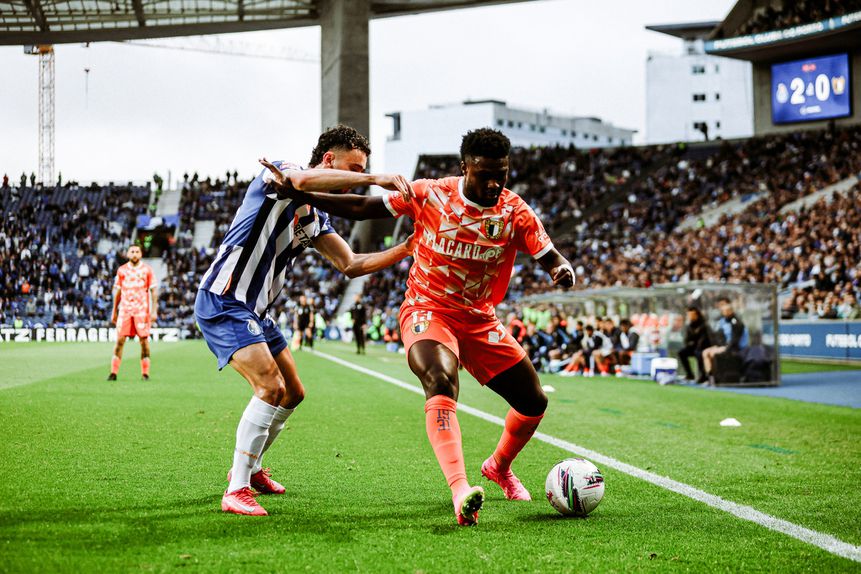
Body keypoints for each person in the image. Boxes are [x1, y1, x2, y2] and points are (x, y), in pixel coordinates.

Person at [262, 127, 575, 526]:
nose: (495, 182)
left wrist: (561, 269)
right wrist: (302, 194)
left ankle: (497, 467)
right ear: (465, 167)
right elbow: (363, 209)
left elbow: (548, 255)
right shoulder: (431, 193)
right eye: (485, 174)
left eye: (502, 174)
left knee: (533, 403)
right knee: (441, 379)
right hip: (428, 310)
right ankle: (460, 489)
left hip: (479, 319)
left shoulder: (515, 211)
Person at [195, 125, 414, 516]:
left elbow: (350, 263)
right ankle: (236, 488)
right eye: (352, 167)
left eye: (361, 169)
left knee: (293, 392)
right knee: (269, 386)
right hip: (225, 297)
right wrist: (373, 178)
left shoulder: (314, 216)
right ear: (329, 160)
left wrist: (407, 247)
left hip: (257, 311)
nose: (354, 178)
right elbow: (299, 179)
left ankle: (254, 466)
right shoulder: (280, 173)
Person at [107, 244, 158, 381]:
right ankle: (113, 372)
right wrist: (114, 311)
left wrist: (154, 311)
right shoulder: (122, 270)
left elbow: (154, 292)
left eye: (137, 251)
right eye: (132, 251)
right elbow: (117, 292)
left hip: (142, 311)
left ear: (141, 254)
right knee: (120, 340)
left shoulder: (147, 270)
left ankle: (145, 373)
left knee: (144, 341)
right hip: (125, 310)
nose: (135, 254)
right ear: (128, 254)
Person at [702, 297, 748, 381]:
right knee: (705, 352)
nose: (724, 313)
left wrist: (726, 348)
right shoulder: (723, 321)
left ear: (730, 311)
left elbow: (735, 340)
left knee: (713, 353)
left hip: (735, 348)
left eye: (726, 311)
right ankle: (710, 376)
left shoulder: (736, 322)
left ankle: (717, 377)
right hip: (724, 345)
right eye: (723, 311)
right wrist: (718, 346)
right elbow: (720, 337)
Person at [678, 307, 711, 383]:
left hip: (702, 348)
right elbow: (686, 339)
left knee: (699, 354)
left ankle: (703, 376)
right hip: (692, 347)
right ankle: (689, 374)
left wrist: (696, 344)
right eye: (689, 315)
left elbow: (704, 339)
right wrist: (689, 344)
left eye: (692, 314)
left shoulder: (703, 325)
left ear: (697, 314)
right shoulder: (690, 326)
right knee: (681, 353)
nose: (690, 316)